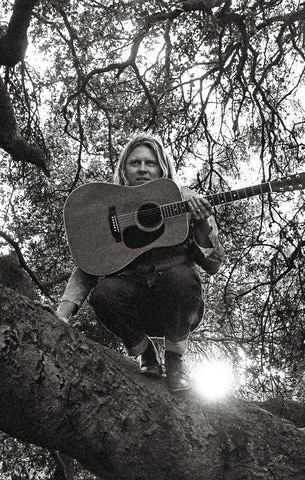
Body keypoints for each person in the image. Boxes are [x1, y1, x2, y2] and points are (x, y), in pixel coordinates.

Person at [57, 133, 224, 392]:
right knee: (104, 293)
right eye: (135, 163)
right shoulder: (110, 208)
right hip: (134, 309)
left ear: (162, 169)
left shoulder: (187, 203)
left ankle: (175, 361)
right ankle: (145, 353)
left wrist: (202, 223)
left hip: (177, 308)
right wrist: (62, 313)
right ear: (124, 169)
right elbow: (88, 266)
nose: (143, 169)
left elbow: (213, 264)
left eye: (151, 163)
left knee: (180, 277)